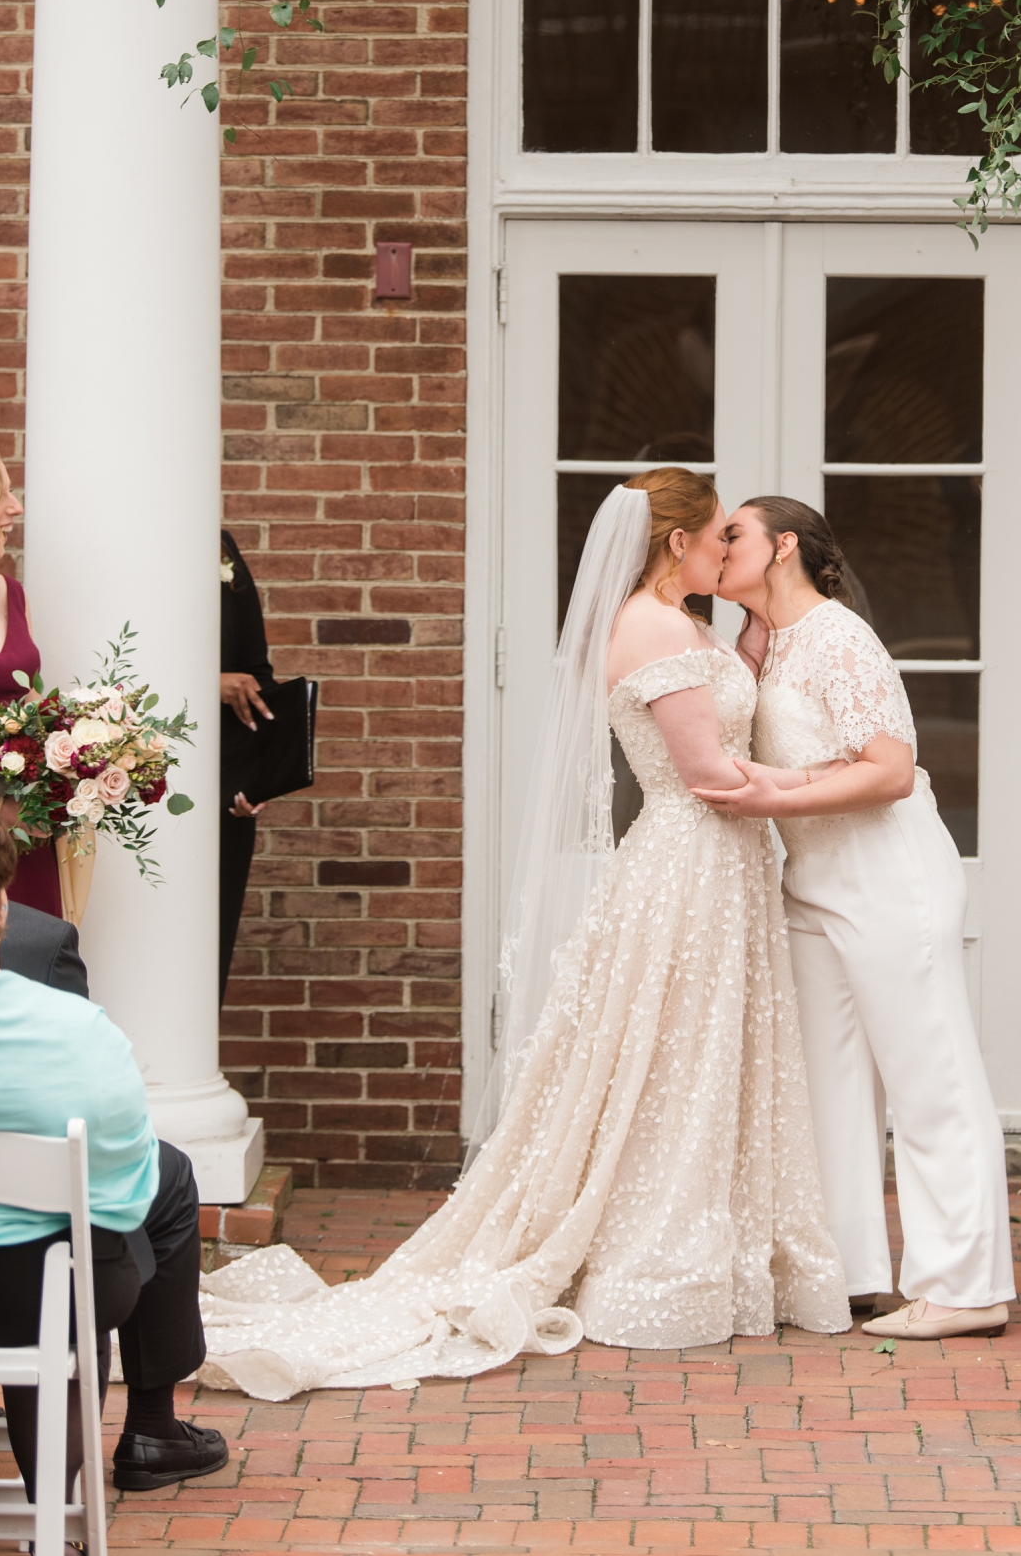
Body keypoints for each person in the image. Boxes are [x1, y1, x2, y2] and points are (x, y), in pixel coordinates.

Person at [193, 470, 848, 1399]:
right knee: (674, 1056)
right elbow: (704, 771)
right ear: (675, 543)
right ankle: (652, 1253)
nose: (722, 554)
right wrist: (832, 787)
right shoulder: (653, 626)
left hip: (724, 862)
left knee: (692, 1054)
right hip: (692, 857)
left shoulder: (691, 624)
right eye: (713, 538)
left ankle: (714, 1239)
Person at [697, 496, 1016, 1341]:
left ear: (784, 546)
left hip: (889, 876)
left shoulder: (841, 637)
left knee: (930, 1079)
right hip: (814, 879)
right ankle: (845, 1273)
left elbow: (892, 769)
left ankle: (966, 1284)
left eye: (734, 533)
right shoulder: (768, 645)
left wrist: (777, 789)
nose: (716, 544)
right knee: (825, 1088)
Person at [0, 806, 228, 1496]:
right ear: (2, 902)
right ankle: (58, 1513)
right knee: (86, 1245)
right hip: (32, 1294)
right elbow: (119, 1194)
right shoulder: (79, 1031)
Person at [0, 444, 61, 917]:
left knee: (38, 950)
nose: (17, 507)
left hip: (26, 827)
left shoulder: (10, 593)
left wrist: (83, 752)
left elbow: (28, 696)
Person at [219, 527, 276, 1003]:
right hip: (124, 788)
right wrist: (205, 681)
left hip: (223, 795)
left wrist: (252, 782)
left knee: (211, 943)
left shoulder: (222, 549)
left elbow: (257, 674)